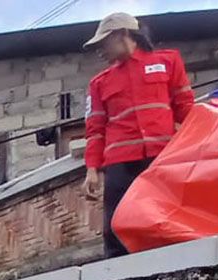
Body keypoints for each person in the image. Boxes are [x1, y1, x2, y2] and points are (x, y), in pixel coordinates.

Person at [82, 12, 194, 258]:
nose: (100, 51)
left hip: (162, 156)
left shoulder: (168, 61)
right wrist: (92, 169)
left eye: (103, 43)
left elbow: (185, 108)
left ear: (123, 34)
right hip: (120, 162)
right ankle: (116, 277)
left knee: (169, 214)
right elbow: (95, 130)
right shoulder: (99, 83)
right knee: (116, 224)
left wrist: (200, 142)